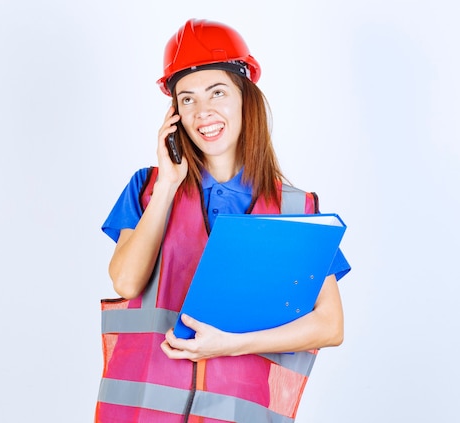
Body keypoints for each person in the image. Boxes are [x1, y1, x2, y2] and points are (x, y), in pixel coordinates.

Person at [95, 18, 351, 423]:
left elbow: (330, 324)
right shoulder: (148, 188)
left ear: (245, 97)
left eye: (218, 92)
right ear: (174, 114)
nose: (203, 111)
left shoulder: (295, 208)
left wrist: (230, 344)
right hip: (144, 411)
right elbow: (125, 282)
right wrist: (168, 185)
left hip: (235, 413)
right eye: (187, 99)